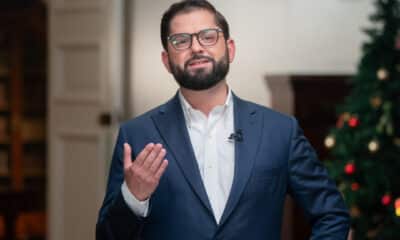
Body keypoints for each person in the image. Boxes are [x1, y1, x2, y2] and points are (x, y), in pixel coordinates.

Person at [96, 1, 350, 239]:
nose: (196, 48)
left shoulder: (280, 131)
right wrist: (133, 198)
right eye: (181, 41)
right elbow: (107, 236)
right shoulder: (137, 135)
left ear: (229, 49)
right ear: (167, 61)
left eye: (208, 37)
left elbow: (331, 214)